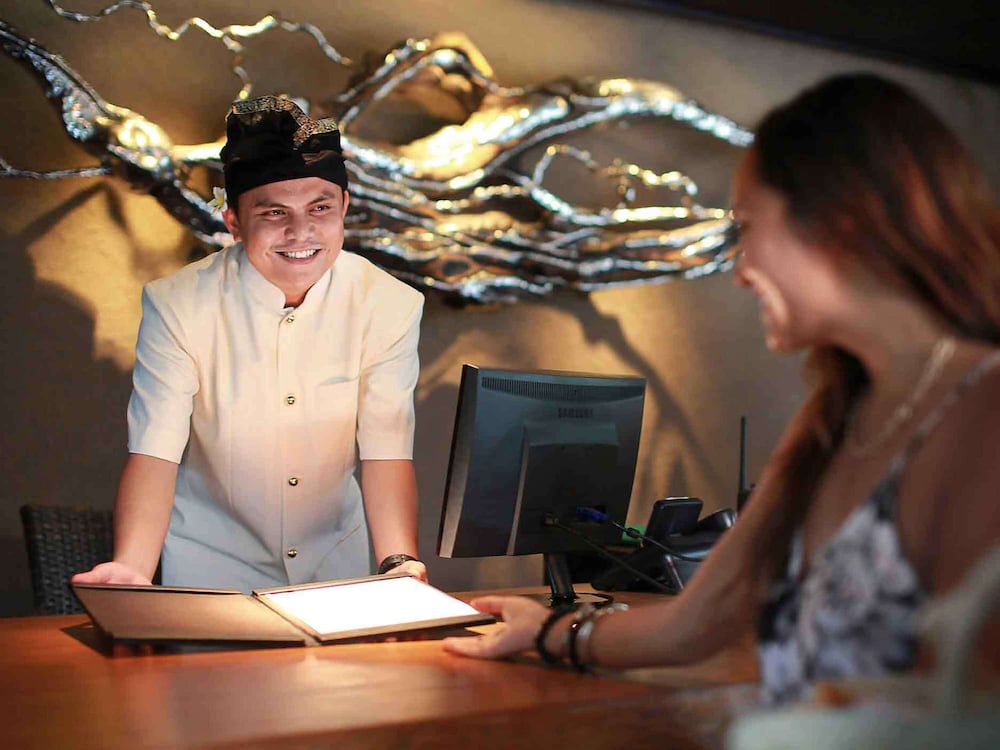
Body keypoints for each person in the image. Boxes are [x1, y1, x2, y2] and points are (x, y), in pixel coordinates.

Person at [443, 73, 1000, 703]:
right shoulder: (833, 417)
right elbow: (698, 620)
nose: (740, 271)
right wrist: (548, 632)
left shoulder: (984, 406)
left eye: (747, 229)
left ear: (839, 221)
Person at [73, 95, 427, 591]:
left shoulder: (389, 303)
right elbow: (156, 450)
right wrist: (133, 567)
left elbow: (386, 448)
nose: (300, 231)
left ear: (344, 208)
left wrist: (398, 561)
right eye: (274, 212)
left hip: (333, 565)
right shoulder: (177, 304)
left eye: (320, 207)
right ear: (234, 223)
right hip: (210, 566)